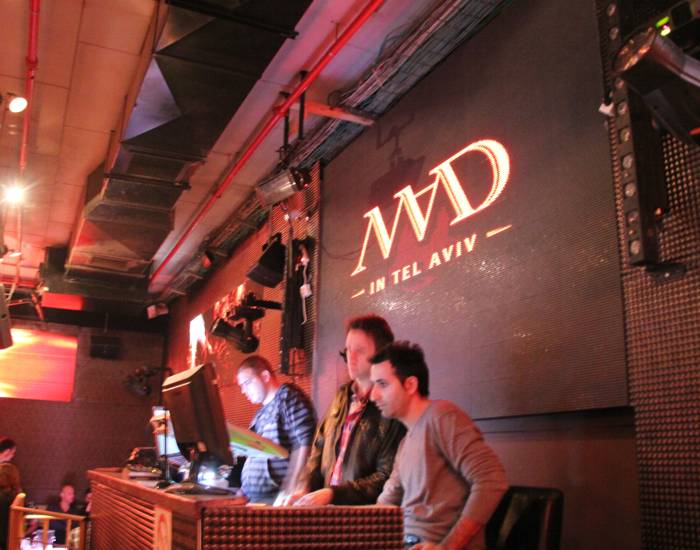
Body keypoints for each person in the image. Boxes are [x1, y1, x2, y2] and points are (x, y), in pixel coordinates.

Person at [370, 341, 508, 550]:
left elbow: (492, 480)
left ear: (410, 385)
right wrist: (328, 513)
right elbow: (385, 504)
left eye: (382, 384)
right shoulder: (406, 441)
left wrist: (447, 547)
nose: (373, 395)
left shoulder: (442, 416)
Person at [292, 315, 406, 505]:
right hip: (327, 510)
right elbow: (318, 448)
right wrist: (305, 487)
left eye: (359, 350)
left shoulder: (392, 406)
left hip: (362, 516)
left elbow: (386, 476)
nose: (350, 358)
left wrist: (334, 494)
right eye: (348, 349)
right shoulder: (342, 396)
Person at [236, 355, 316, 505]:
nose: (243, 391)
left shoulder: (287, 396)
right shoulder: (259, 414)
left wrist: (291, 487)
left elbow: (306, 442)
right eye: (241, 386)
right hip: (254, 500)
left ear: (265, 376)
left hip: (278, 500)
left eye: (246, 383)